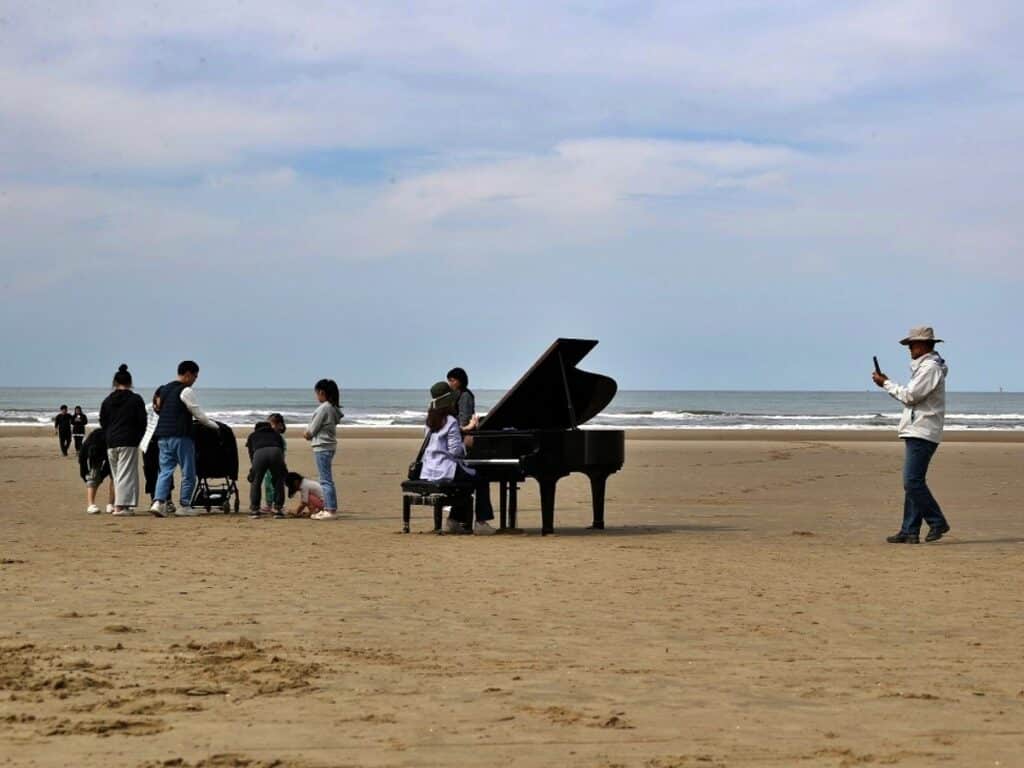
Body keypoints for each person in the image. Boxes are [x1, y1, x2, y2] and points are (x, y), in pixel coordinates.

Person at [872, 326, 951, 544]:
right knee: (914, 482)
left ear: (924, 345)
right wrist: (887, 383)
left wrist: (886, 383)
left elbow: (910, 396)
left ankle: (937, 521)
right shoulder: (927, 367)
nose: (909, 349)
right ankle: (910, 530)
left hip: (922, 430)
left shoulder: (930, 368)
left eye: (912, 344)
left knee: (912, 482)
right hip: (920, 428)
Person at [420, 381, 496, 535]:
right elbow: (455, 451)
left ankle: (454, 520)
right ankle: (481, 522)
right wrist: (466, 445)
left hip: (429, 469)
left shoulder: (430, 420)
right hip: (446, 469)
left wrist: (466, 428)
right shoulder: (450, 420)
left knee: (465, 483)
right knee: (481, 480)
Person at [149, 360, 219, 518]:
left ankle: (158, 503)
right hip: (181, 436)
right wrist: (216, 427)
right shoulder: (186, 390)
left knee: (165, 471)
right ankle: (184, 505)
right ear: (188, 374)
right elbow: (198, 414)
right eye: (195, 376)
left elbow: (159, 409)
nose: (195, 380)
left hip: (163, 435)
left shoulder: (164, 389)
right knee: (188, 472)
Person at [99, 364, 148, 516]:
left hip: (111, 440)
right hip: (128, 439)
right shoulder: (135, 399)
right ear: (130, 382)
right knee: (126, 474)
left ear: (115, 382)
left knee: (116, 475)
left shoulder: (107, 400)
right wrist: (139, 437)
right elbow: (142, 421)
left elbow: (103, 421)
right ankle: (120, 506)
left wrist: (108, 433)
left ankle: (120, 505)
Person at [304, 379, 342, 521]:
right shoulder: (333, 408)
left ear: (322, 392)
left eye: (317, 393)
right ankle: (329, 508)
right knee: (326, 479)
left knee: (325, 480)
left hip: (322, 445)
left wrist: (306, 434)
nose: (316, 396)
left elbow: (311, 431)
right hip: (329, 445)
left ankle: (330, 510)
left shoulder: (324, 408)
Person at [140, 388, 175, 515]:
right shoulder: (147, 408)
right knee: (150, 471)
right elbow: (141, 424)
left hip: (164, 442)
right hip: (149, 443)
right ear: (156, 397)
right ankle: (154, 499)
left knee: (166, 471)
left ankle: (168, 500)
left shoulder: (169, 410)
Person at [246, 419, 287, 519]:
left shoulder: (252, 435)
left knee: (256, 481)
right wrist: (283, 468)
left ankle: (255, 510)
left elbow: (251, 454)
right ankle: (278, 510)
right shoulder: (277, 435)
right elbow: (281, 451)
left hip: (259, 454)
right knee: (278, 481)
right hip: (276, 452)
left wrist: (253, 471)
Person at [79, 427, 114, 514]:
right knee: (94, 476)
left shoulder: (107, 439)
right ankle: (91, 505)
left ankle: (111, 504)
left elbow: (109, 465)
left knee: (114, 477)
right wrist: (83, 472)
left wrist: (102, 475)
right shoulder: (88, 447)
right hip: (97, 450)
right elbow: (82, 459)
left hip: (111, 448)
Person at [259, 413, 287, 513]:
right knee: (268, 485)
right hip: (268, 464)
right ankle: (269, 504)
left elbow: (281, 453)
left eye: (272, 424)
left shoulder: (279, 438)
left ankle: (278, 504)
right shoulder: (270, 437)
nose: (270, 427)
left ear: (280, 425)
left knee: (276, 484)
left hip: (277, 464)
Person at [446, 367, 479, 433]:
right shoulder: (456, 393)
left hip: (462, 431)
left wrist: (460, 429)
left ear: (460, 381)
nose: (450, 383)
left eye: (452, 381)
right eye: (449, 381)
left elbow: (465, 418)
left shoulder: (465, 395)